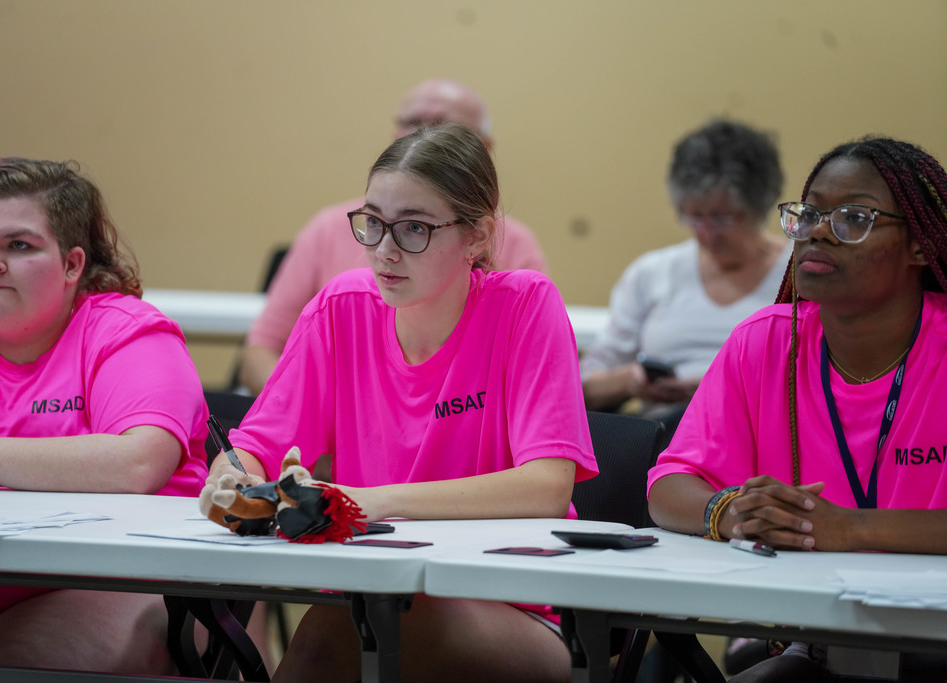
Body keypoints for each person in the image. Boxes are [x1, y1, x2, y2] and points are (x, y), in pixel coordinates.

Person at [208, 123, 596, 682]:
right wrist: (233, 482)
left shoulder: (525, 307)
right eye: (373, 224)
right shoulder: (340, 309)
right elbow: (255, 447)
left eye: (414, 228)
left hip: (518, 609)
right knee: (356, 621)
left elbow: (546, 486)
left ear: (478, 236)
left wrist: (375, 502)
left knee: (338, 631)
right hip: (376, 596)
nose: (385, 251)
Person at [647, 136, 947, 682]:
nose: (817, 231)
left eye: (853, 217)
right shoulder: (765, 343)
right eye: (808, 214)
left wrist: (850, 529)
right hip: (818, 645)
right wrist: (731, 512)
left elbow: (841, 531)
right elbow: (669, 484)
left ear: (920, 246)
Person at [0, 158, 209, 674]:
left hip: (107, 581)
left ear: (73, 264)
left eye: (19, 245)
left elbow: (139, 464)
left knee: (21, 660)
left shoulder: (128, 331)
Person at [239, 78, 549, 395]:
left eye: (416, 228)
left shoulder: (519, 259)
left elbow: (528, 378)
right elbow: (261, 350)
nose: (385, 252)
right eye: (412, 122)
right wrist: (313, 412)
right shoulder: (329, 237)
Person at [580, 119, 790, 437]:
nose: (706, 233)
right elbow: (584, 388)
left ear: (758, 208)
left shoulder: (798, 273)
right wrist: (633, 381)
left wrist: (717, 386)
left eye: (721, 218)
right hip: (665, 437)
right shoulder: (652, 274)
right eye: (694, 216)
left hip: (760, 432)